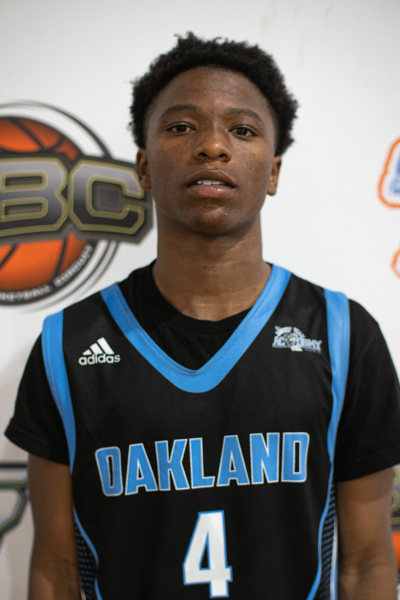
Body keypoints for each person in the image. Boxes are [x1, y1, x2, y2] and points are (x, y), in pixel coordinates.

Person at [5, 33, 400, 600]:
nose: (212, 145)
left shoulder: (343, 335)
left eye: (242, 130)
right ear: (144, 167)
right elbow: (54, 570)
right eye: (181, 126)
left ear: (273, 172)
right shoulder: (67, 344)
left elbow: (366, 563)